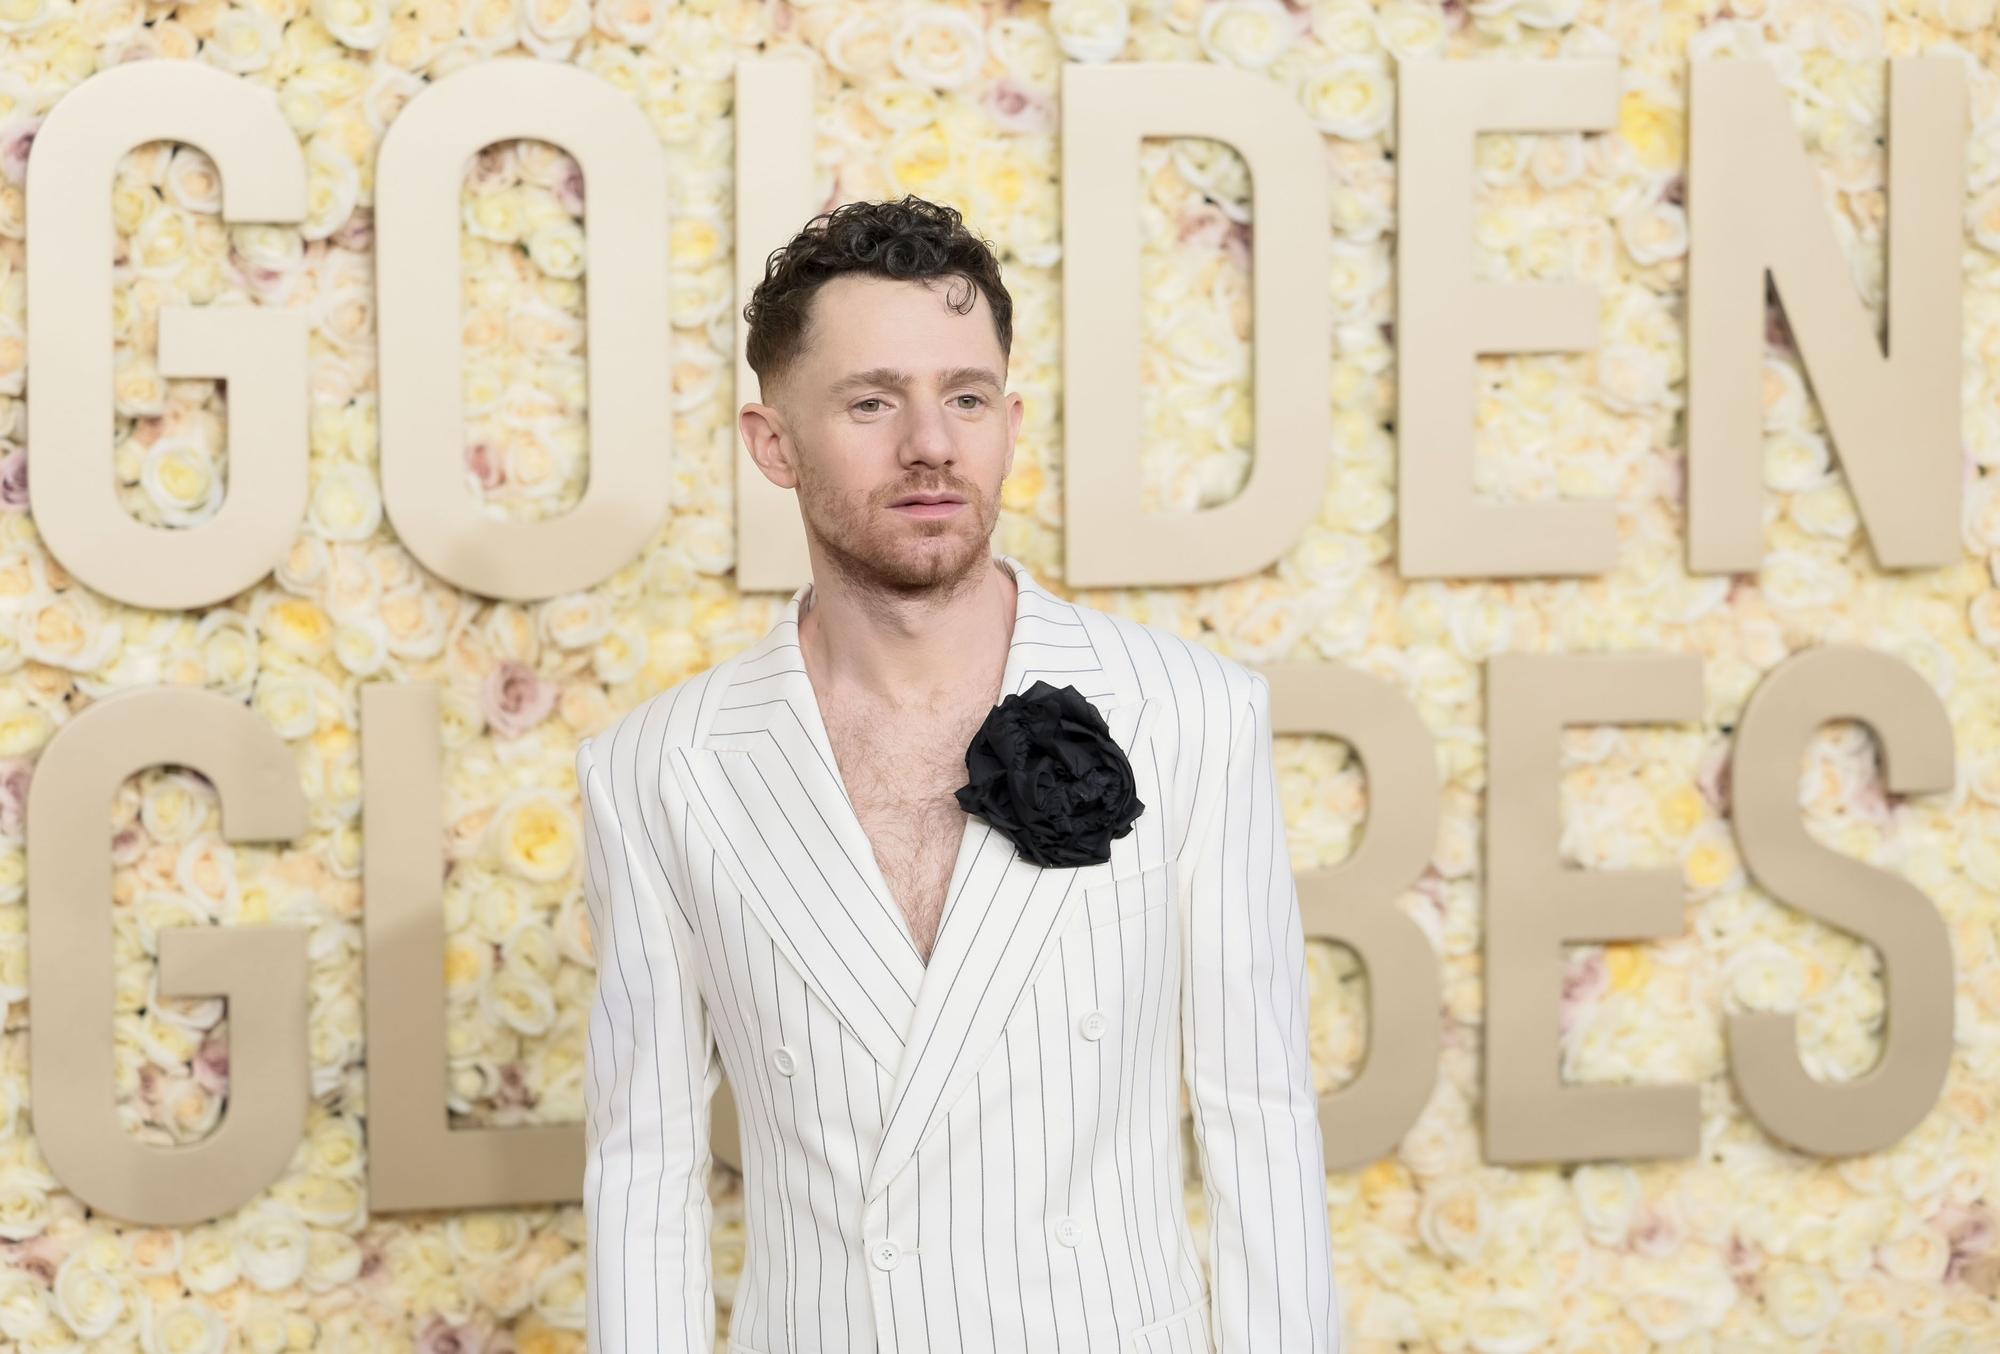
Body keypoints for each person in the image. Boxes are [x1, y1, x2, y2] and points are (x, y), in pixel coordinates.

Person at [574, 195, 1341, 1353]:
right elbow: (644, 1169)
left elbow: (1262, 1121)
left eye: (965, 397)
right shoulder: (658, 771)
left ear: (1009, 421)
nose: (929, 443)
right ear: (771, 443)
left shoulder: (1190, 714)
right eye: (872, 401)